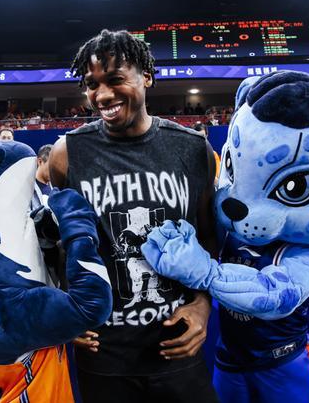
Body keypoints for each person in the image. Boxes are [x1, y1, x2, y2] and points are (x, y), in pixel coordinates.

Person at [49, 29, 217, 403]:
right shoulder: (67, 154)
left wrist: (203, 305)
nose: (102, 95)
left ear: (147, 77)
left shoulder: (193, 149)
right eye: (91, 84)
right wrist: (62, 307)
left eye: (115, 79)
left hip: (176, 347)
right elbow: (58, 244)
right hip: (102, 354)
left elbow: (208, 237)